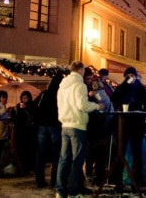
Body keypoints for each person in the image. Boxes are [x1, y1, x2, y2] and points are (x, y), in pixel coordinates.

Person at [56, 61, 105, 198]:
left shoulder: (63, 86)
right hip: (77, 125)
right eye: (83, 70)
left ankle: (60, 191)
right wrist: (97, 107)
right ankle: (73, 191)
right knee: (77, 160)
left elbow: (60, 104)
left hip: (65, 125)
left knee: (64, 159)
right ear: (79, 70)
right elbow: (82, 105)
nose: (84, 73)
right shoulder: (80, 85)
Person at [111, 66, 146, 190]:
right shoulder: (122, 88)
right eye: (127, 76)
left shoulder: (140, 88)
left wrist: (141, 113)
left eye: (131, 76)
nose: (130, 78)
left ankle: (136, 181)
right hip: (123, 124)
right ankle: (119, 182)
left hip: (136, 124)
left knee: (136, 153)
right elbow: (114, 98)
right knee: (120, 152)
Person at [34, 72, 66, 188]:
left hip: (42, 126)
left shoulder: (44, 94)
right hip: (55, 125)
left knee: (41, 154)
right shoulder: (60, 94)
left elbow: (34, 106)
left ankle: (39, 180)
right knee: (56, 154)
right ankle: (55, 179)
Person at [85, 69, 114, 186]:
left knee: (93, 151)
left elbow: (98, 107)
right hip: (103, 127)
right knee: (100, 153)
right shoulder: (105, 93)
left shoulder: (97, 94)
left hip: (96, 127)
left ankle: (92, 172)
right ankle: (98, 174)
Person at [12, 90, 37, 175]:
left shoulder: (32, 106)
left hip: (29, 131)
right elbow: (16, 118)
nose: (24, 100)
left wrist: (25, 109)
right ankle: (22, 168)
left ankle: (30, 167)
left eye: (25, 98)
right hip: (20, 131)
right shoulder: (19, 106)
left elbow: (32, 116)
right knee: (21, 149)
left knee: (29, 149)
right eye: (22, 98)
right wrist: (15, 110)